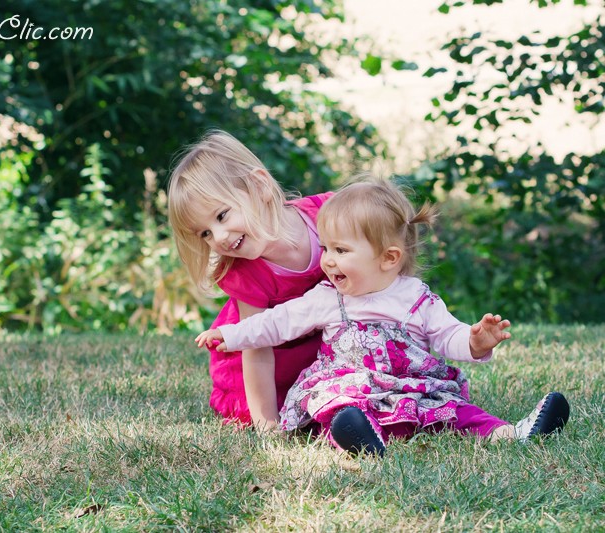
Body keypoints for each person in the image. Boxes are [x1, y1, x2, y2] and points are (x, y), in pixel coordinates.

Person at [196, 178, 570, 456]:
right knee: (340, 405)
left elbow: (445, 334)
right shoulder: (327, 297)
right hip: (352, 383)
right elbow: (276, 324)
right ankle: (359, 441)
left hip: (409, 384)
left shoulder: (414, 298)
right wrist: (232, 335)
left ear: (388, 258)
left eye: (340, 250)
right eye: (326, 248)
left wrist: (474, 341)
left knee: (455, 410)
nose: (327, 260)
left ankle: (511, 433)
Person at [168, 130, 333, 429]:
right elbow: (257, 351)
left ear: (259, 186)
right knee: (299, 409)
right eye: (205, 233)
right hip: (273, 365)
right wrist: (267, 424)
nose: (218, 237)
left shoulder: (326, 217)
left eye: (221, 216)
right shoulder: (248, 273)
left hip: (324, 351)